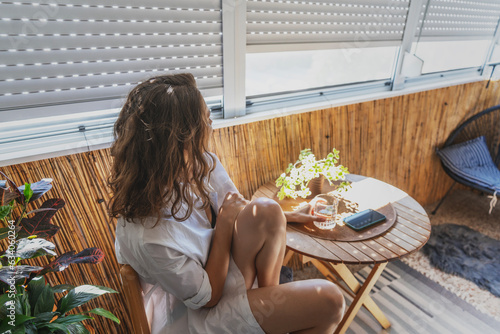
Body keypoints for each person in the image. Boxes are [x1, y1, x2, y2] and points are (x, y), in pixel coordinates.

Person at [109, 73, 345, 334]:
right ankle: (274, 317)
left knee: (266, 210)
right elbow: (207, 297)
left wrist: (288, 215)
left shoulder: (199, 163)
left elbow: (241, 213)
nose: (211, 124)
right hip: (193, 313)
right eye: (204, 120)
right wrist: (222, 225)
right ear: (178, 139)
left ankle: (273, 315)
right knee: (330, 301)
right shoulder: (149, 236)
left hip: (221, 273)